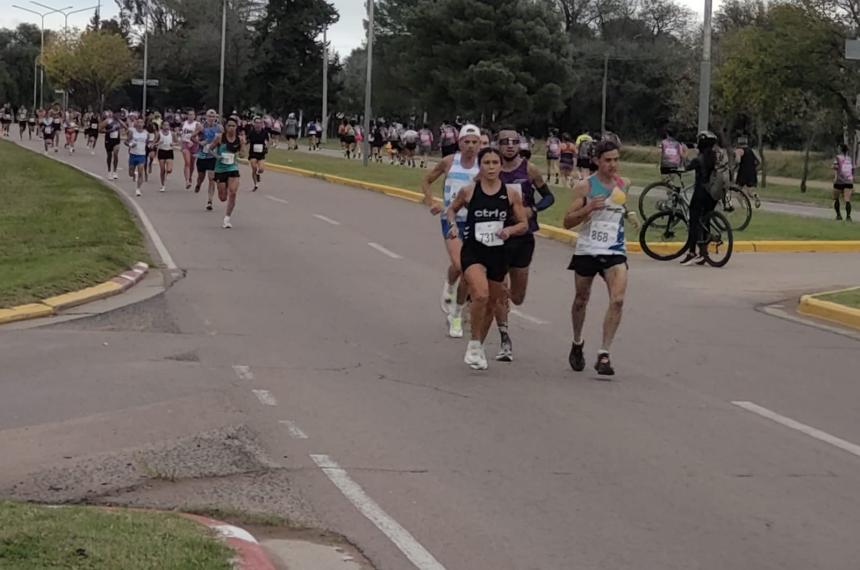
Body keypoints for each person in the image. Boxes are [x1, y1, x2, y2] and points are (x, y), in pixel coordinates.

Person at [444, 146, 529, 370]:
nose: (491, 167)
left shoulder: (511, 194)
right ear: (480, 166)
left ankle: (477, 346)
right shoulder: (469, 191)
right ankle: (473, 342)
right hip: (473, 250)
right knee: (480, 295)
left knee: (492, 302)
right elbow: (451, 210)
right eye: (486, 163)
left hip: (497, 252)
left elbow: (523, 224)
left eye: (495, 163)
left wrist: (509, 231)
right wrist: (453, 226)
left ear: (501, 166)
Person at [563, 140, 634, 377]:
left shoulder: (624, 184)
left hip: (614, 250)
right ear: (596, 161)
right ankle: (577, 342)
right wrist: (588, 208)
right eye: (608, 160)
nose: (613, 164)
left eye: (616, 159)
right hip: (588, 249)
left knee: (618, 300)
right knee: (581, 299)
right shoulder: (585, 186)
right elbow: (568, 221)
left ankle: (604, 353)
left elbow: (621, 207)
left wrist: (630, 214)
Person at [491, 129, 555, 361]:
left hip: (523, 238)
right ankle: (504, 339)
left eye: (514, 142)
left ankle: (505, 296)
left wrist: (533, 210)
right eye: (504, 142)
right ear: (496, 145)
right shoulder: (490, 169)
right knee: (498, 288)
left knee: (517, 297)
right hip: (497, 237)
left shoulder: (529, 169)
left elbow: (549, 197)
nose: (510, 146)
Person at [422, 124, 482, 338]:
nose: (471, 146)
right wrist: (431, 201)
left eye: (475, 142)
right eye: (467, 142)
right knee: (462, 265)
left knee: (466, 268)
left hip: (476, 222)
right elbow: (427, 180)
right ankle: (449, 285)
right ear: (459, 143)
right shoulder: (449, 162)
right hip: (451, 218)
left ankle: (456, 313)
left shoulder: (484, 165)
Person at [679, 131, 724, 265]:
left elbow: (686, 167)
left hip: (700, 193)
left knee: (694, 222)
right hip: (712, 195)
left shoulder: (699, 159)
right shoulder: (715, 156)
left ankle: (692, 252)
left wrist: (684, 155)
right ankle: (704, 253)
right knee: (705, 221)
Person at [207, 116, 244, 229]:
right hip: (220, 169)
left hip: (233, 168)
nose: (231, 128)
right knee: (223, 197)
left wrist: (241, 152)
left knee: (233, 192)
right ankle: (224, 188)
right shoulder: (219, 138)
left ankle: (227, 218)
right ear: (225, 127)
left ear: (236, 127)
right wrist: (217, 156)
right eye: (229, 126)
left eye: (233, 126)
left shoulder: (240, 139)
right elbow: (209, 149)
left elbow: (243, 154)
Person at [194, 109, 223, 211]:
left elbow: (223, 140)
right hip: (202, 155)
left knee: (211, 178)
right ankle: (198, 184)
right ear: (206, 117)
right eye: (209, 116)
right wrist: (199, 142)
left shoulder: (219, 128)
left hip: (213, 156)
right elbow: (192, 137)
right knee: (201, 177)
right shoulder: (201, 127)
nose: (211, 118)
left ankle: (210, 201)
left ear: (216, 117)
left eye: (213, 116)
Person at [735, 136, 761, 207]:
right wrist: (755, 167)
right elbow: (759, 161)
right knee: (750, 191)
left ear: (739, 143)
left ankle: (743, 207)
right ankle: (755, 196)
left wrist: (735, 166)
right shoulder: (752, 150)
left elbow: (738, 160)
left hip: (742, 172)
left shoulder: (739, 150)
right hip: (752, 172)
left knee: (738, 191)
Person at [126, 117, 149, 197]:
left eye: (141, 123)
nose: (140, 124)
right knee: (130, 173)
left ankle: (138, 189)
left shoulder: (146, 133)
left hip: (141, 155)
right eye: (138, 123)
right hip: (133, 154)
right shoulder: (132, 132)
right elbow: (126, 141)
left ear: (143, 124)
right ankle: (133, 175)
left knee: (140, 171)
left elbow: (148, 143)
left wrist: (150, 145)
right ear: (136, 124)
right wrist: (130, 145)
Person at [246, 116, 270, 191]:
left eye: (259, 123)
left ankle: (258, 174)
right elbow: (247, 141)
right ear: (254, 124)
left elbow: (267, 141)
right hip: (253, 153)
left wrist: (266, 147)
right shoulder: (251, 132)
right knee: (254, 167)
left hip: (261, 153)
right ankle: (256, 184)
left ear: (262, 124)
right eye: (256, 123)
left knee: (261, 169)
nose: (258, 124)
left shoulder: (264, 132)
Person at [833, 143, 854, 222]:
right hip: (849, 181)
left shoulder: (837, 158)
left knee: (836, 198)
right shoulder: (849, 159)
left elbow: (836, 168)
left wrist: (835, 178)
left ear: (840, 149)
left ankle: (838, 215)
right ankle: (848, 217)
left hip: (839, 180)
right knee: (847, 199)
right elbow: (852, 170)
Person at [180, 110, 200, 189]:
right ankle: (187, 180)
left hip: (194, 144)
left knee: (192, 163)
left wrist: (193, 141)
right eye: (189, 114)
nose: (191, 116)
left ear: (195, 116)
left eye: (192, 114)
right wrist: (181, 144)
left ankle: (190, 176)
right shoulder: (184, 124)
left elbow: (198, 133)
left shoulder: (197, 124)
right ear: (187, 116)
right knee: (187, 162)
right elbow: (182, 134)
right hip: (185, 144)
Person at [102, 110, 124, 179]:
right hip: (108, 140)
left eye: (119, 114)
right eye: (117, 114)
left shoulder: (119, 121)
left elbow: (126, 127)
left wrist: (122, 131)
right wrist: (109, 131)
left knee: (115, 154)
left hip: (116, 140)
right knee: (109, 155)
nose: (118, 116)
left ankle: (115, 171)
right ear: (113, 114)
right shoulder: (107, 121)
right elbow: (100, 129)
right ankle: (109, 171)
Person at [156, 120, 175, 193]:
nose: (166, 127)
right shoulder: (159, 134)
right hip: (161, 151)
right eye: (165, 125)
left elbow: (177, 142)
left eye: (167, 125)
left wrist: (173, 143)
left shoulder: (172, 133)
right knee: (162, 169)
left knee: (169, 169)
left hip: (169, 151)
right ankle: (163, 185)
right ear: (162, 126)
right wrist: (158, 143)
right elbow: (154, 142)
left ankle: (168, 173)